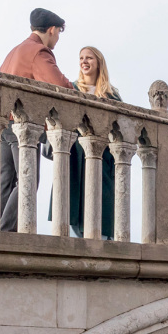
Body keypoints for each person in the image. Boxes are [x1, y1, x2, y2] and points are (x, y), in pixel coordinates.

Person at [0, 9, 72, 233]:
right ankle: (4, 233)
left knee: (6, 181)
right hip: (22, 126)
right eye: (58, 33)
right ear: (52, 30)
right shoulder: (38, 52)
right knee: (28, 181)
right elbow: (59, 85)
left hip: (4, 124)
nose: (57, 38)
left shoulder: (14, 51)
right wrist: (75, 88)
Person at [50, 46, 120, 239]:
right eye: (81, 58)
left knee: (101, 210)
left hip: (102, 159)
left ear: (98, 63)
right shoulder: (71, 88)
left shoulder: (111, 95)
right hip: (74, 157)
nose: (84, 61)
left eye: (89, 58)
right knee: (71, 206)